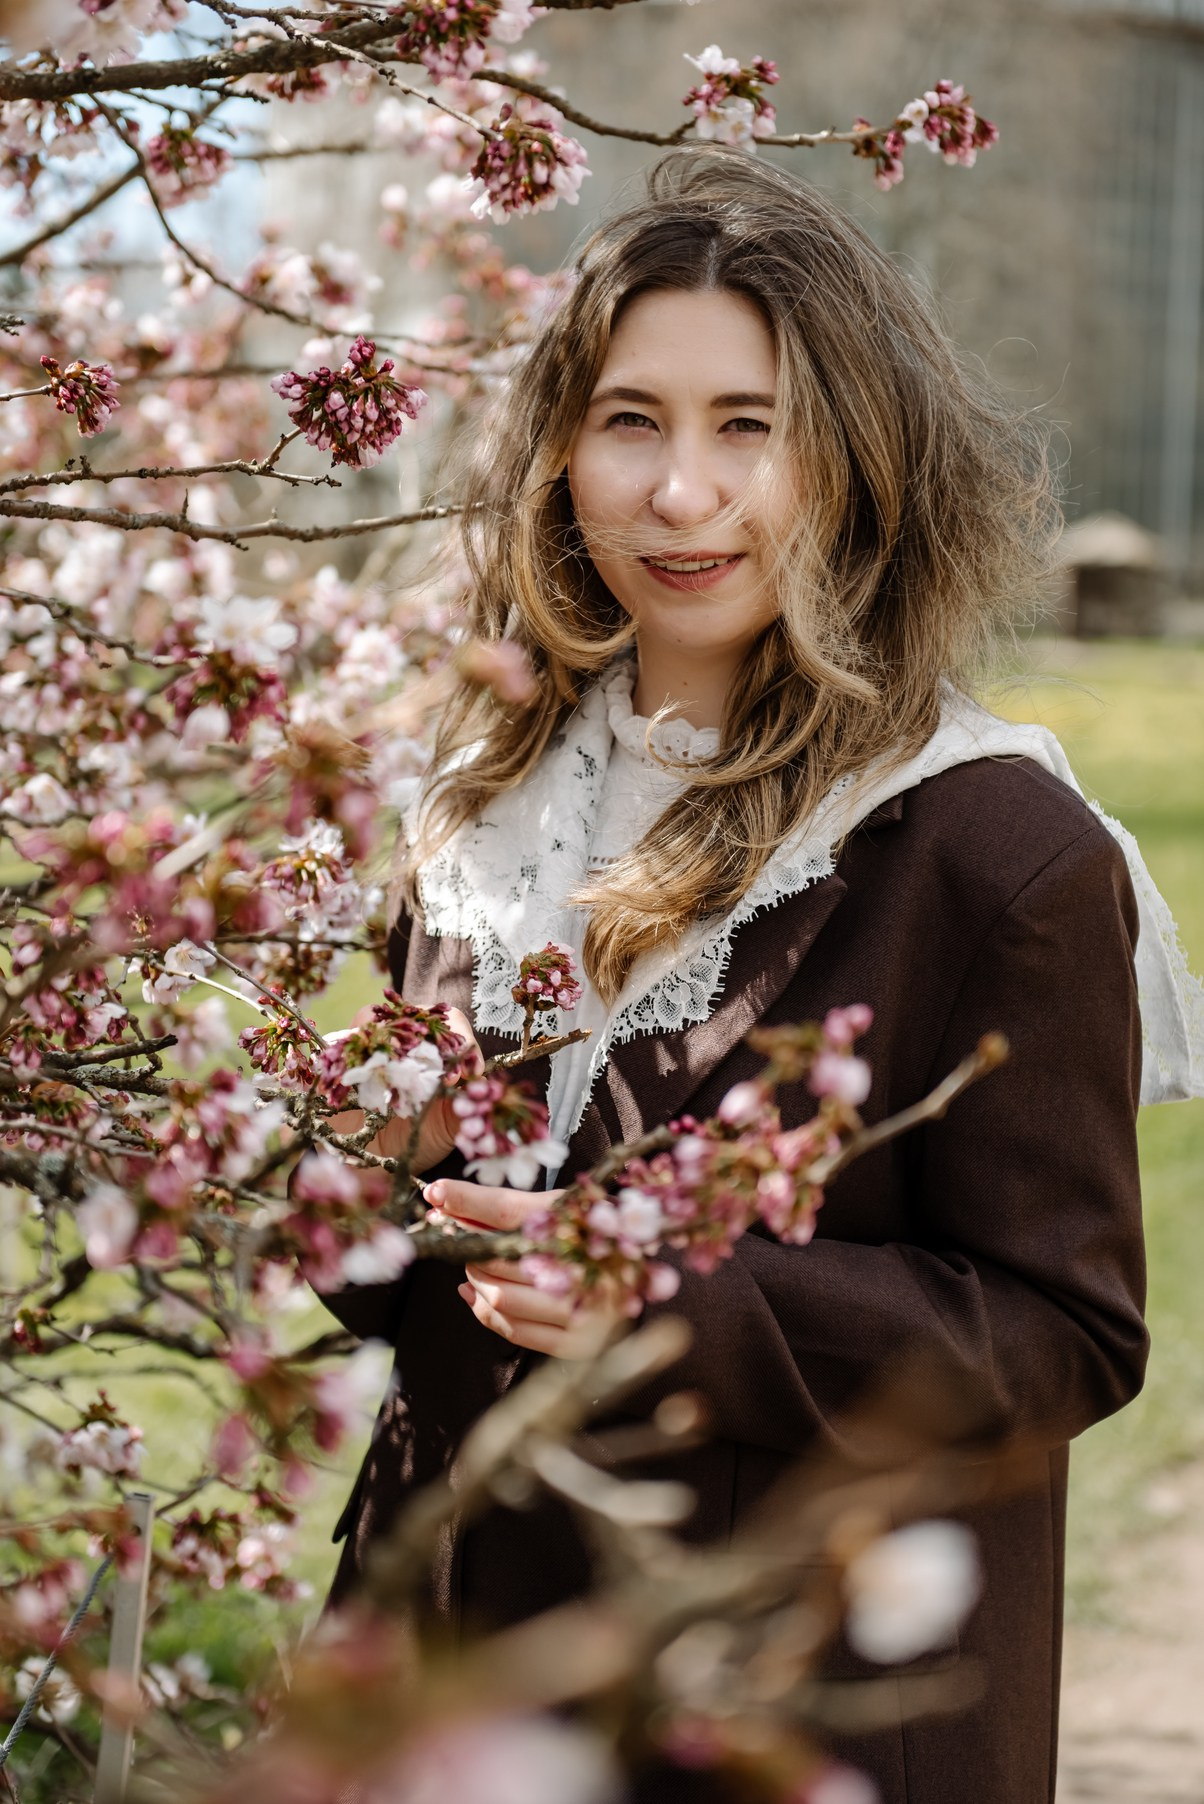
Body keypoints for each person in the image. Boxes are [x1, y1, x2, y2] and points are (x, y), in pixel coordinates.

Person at [314, 151, 1199, 1803]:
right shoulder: (475, 802)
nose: (679, 493)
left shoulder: (992, 848)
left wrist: (675, 1305)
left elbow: (1064, 1336)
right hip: (455, 1667)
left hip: (793, 1708)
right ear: (562, 451)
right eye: (631, 419)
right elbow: (384, 1266)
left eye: (752, 427)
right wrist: (357, 1176)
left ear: (854, 462)